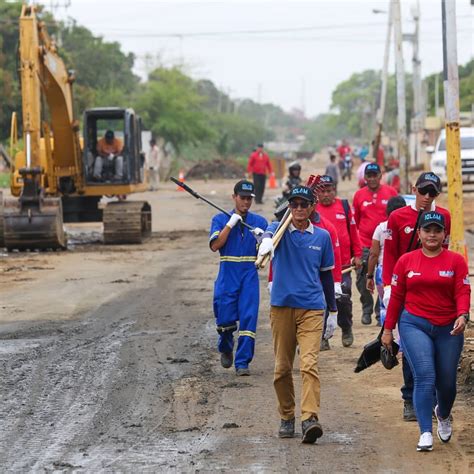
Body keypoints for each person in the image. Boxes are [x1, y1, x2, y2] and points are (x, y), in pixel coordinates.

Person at [382, 211, 470, 452]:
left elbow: (463, 291)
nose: (432, 235)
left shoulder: (456, 261)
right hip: (414, 324)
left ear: (444, 235)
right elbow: (397, 297)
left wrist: (462, 314)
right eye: (427, 230)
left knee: (447, 382)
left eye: (437, 230)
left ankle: (443, 414)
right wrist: (388, 330)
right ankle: (425, 432)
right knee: (425, 375)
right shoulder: (406, 261)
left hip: (448, 327)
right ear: (419, 234)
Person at [258, 186, 337, 443]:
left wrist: (332, 310)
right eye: (295, 205)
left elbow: (326, 275)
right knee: (282, 368)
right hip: (282, 307)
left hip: (312, 308)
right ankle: (287, 415)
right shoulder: (280, 234)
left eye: (304, 204)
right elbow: (270, 229)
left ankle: (309, 418)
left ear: (312, 207)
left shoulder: (322, 237)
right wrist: (266, 238)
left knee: (309, 364)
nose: (299, 209)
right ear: (289, 207)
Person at [382, 171, 451, 421]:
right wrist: (389, 286)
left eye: (432, 192)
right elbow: (389, 254)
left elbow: (446, 253)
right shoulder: (397, 217)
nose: (427, 197)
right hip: (405, 291)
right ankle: (410, 398)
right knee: (412, 349)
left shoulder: (444, 217)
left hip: (434, 292)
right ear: (414, 189)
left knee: (436, 349)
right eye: (423, 191)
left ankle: (434, 400)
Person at [209, 180, 267, 376]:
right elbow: (215, 245)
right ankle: (225, 347)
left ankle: (243, 362)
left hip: (249, 274)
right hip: (228, 273)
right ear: (234, 197)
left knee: (249, 318)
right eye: (242, 198)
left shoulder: (260, 222)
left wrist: (263, 240)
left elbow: (265, 255)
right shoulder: (219, 219)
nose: (246, 202)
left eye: (249, 199)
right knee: (224, 320)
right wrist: (230, 224)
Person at [315, 175, 363, 347]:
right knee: (322, 301)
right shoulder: (313, 209)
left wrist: (357, 255)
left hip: (342, 265)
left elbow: (353, 231)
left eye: (329, 191)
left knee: (343, 298)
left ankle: (346, 328)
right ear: (317, 193)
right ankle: (323, 337)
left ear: (334, 190)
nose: (326, 194)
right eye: (322, 191)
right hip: (320, 266)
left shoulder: (343, 206)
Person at [353, 163, 398, 325]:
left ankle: (380, 312)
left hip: (387, 243)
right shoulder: (359, 195)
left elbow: (397, 214)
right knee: (362, 278)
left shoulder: (391, 192)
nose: (372, 179)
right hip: (365, 243)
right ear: (364, 177)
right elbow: (356, 221)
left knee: (385, 278)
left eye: (375, 175)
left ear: (380, 176)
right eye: (369, 176)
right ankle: (366, 308)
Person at [366, 196, 407, 326]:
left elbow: (373, 254)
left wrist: (369, 276)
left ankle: (387, 334)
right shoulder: (409, 228)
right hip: (405, 271)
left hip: (383, 273)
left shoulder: (381, 228)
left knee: (385, 305)